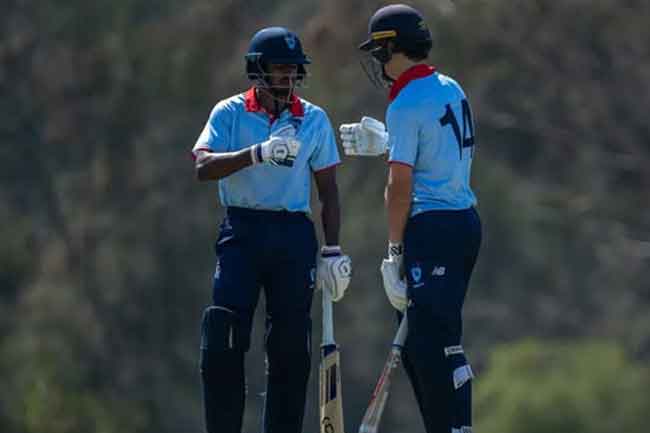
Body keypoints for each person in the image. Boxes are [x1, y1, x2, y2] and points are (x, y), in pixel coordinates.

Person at [191, 26, 352, 433]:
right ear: (257, 69)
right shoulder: (229, 112)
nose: (287, 76)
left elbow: (328, 191)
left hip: (293, 235)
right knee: (224, 333)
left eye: (293, 69)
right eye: (279, 68)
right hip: (242, 232)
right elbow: (203, 167)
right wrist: (257, 153)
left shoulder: (314, 119)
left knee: (291, 347)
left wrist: (333, 250)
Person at [340, 5, 481, 433]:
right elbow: (436, 151)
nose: (378, 62)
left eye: (380, 52)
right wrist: (389, 143)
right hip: (463, 223)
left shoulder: (405, 102)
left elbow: (398, 187)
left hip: (432, 228)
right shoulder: (449, 86)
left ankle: (455, 427)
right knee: (423, 341)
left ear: (394, 48)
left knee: (434, 341)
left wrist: (394, 251)